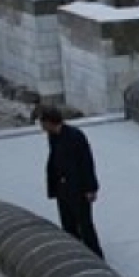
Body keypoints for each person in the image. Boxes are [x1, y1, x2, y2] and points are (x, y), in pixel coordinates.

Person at [39, 107, 102, 257]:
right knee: (68, 223)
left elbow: (86, 162)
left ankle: (96, 255)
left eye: (42, 123)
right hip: (63, 188)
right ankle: (77, 253)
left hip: (78, 188)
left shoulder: (75, 136)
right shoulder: (53, 136)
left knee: (85, 224)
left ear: (49, 122)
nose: (41, 127)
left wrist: (90, 189)